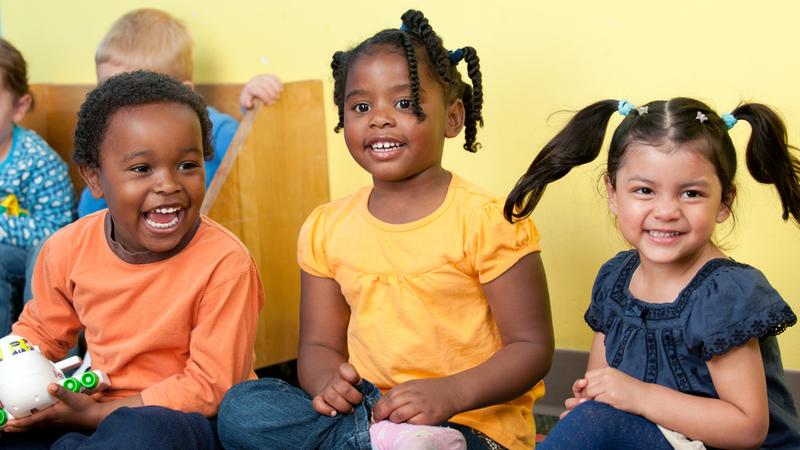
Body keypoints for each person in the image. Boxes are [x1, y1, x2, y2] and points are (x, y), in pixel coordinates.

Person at [217, 9, 554, 450]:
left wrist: (451, 393)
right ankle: (372, 442)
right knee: (244, 407)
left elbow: (532, 347)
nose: (379, 119)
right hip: (369, 410)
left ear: (453, 119)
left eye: (404, 103)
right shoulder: (326, 227)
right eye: (361, 106)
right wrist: (327, 384)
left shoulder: (489, 221)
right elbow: (318, 345)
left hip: (468, 422)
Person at [505, 98, 800, 449]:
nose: (666, 211)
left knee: (596, 425)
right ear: (613, 194)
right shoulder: (615, 279)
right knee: (591, 422)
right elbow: (602, 380)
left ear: (724, 203)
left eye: (691, 193)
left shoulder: (724, 293)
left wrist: (636, 397)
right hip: (662, 438)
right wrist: (591, 403)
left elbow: (747, 428)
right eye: (644, 190)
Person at [0, 71, 263, 449]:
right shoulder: (67, 248)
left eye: (187, 165)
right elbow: (40, 334)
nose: (168, 184)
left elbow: (211, 388)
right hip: (94, 409)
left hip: (184, 419)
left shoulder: (225, 264)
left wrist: (95, 416)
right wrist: (11, 378)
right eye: (142, 169)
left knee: (139, 434)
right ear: (94, 178)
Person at [77, 7, 283, 217]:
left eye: (137, 96)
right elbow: (91, 214)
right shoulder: (110, 140)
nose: (117, 107)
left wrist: (253, 109)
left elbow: (259, 165)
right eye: (107, 93)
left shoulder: (217, 130)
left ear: (184, 95)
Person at [0, 38, 74, 336]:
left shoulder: (37, 160)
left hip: (28, 258)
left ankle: (17, 361)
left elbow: (55, 233)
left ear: (19, 107)